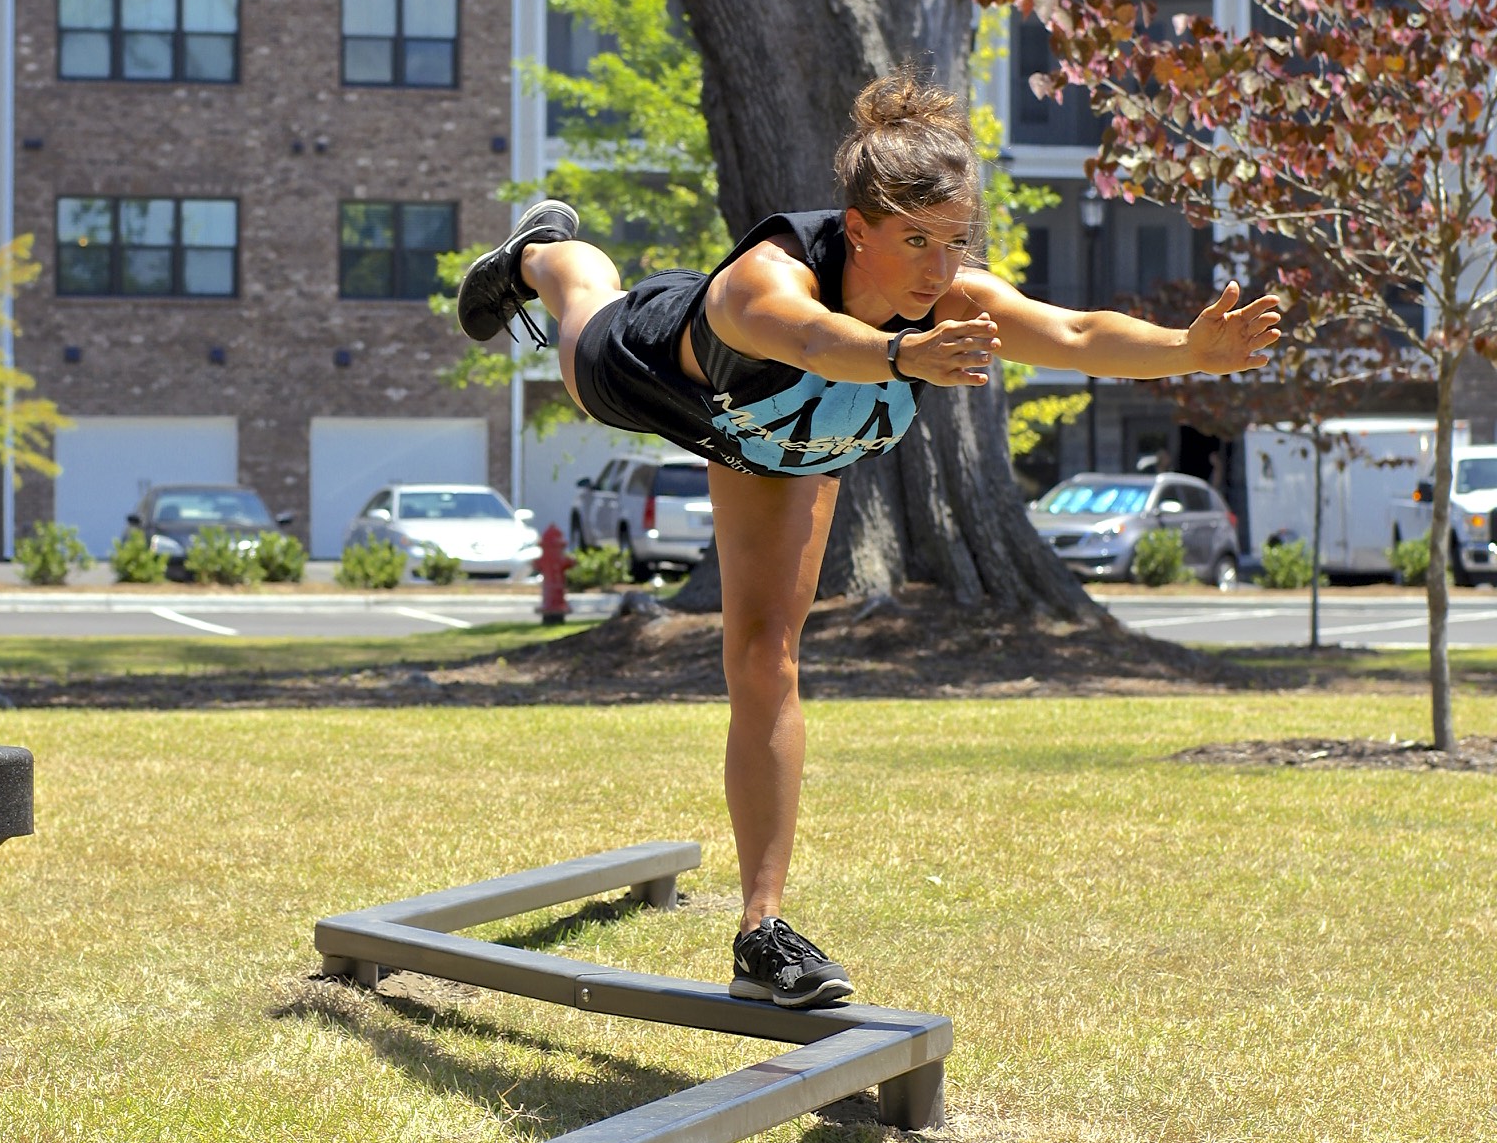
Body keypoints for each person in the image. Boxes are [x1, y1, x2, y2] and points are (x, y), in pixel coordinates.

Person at [457, 70, 1279, 1010]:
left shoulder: (955, 298)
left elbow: (1079, 331)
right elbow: (811, 341)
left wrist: (1188, 351)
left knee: (766, 658)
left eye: (955, 242)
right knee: (582, 316)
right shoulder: (764, 283)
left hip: (780, 451)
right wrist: (898, 355)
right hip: (660, 378)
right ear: (858, 230)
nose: (939, 270)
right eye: (916, 242)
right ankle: (544, 252)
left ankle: (761, 930)